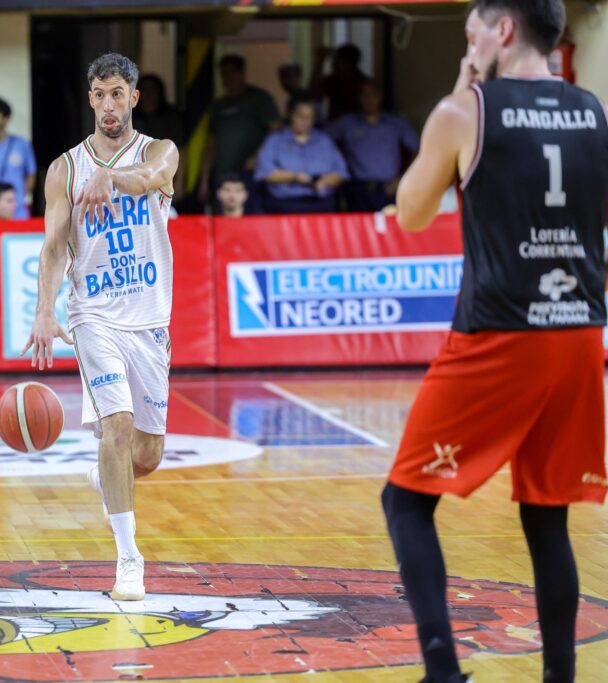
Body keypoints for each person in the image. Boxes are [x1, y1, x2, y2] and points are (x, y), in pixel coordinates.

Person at [382, 1, 608, 681]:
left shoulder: (465, 111)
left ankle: (443, 671)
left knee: (405, 500)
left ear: (503, 30)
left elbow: (412, 213)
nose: (469, 45)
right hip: (579, 331)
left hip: (501, 332)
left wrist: (457, 93)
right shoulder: (595, 111)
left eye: (472, 32)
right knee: (547, 514)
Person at [23, 53, 179, 601]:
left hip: (149, 317)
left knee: (147, 455)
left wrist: (112, 177)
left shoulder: (160, 151)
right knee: (117, 425)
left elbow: (151, 178)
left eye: (117, 93)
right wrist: (45, 310)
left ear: (133, 97)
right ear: (89, 99)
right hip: (94, 315)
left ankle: (105, 480)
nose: (108, 104)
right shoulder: (64, 169)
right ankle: (129, 560)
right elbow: (52, 247)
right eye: (99, 94)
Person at [197, 55, 280, 206]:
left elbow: (277, 133)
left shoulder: (260, 99)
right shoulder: (218, 106)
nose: (227, 78)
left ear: (242, 73)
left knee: (252, 215)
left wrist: (259, 156)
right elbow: (211, 145)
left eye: (232, 73)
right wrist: (204, 180)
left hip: (252, 174)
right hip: (223, 176)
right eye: (224, 74)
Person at [326, 80, 420, 212]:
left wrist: (403, 179)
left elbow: (419, 150)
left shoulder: (396, 123)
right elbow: (319, 140)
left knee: (387, 223)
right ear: (359, 98)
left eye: (372, 94)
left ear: (380, 96)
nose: (368, 99)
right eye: (364, 95)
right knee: (357, 225)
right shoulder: (347, 123)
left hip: (388, 188)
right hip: (356, 189)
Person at [254, 95, 348, 213]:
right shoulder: (275, 140)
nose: (305, 121)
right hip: (285, 204)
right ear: (291, 115)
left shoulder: (324, 141)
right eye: (301, 116)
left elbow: (341, 172)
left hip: (320, 203)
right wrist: (294, 177)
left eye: (310, 117)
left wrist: (325, 181)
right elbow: (265, 172)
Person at [134, 74, 186, 200]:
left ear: (160, 93)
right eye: (144, 90)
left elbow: (181, 149)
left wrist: (180, 181)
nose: (148, 95)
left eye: (152, 90)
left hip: (166, 179)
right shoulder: (131, 117)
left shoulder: (171, 116)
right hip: (135, 179)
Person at [312, 43, 370, 121]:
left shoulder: (363, 84)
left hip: (357, 125)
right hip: (335, 125)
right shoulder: (333, 80)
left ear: (349, 62)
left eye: (338, 60)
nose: (334, 64)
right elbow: (314, 94)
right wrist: (320, 62)